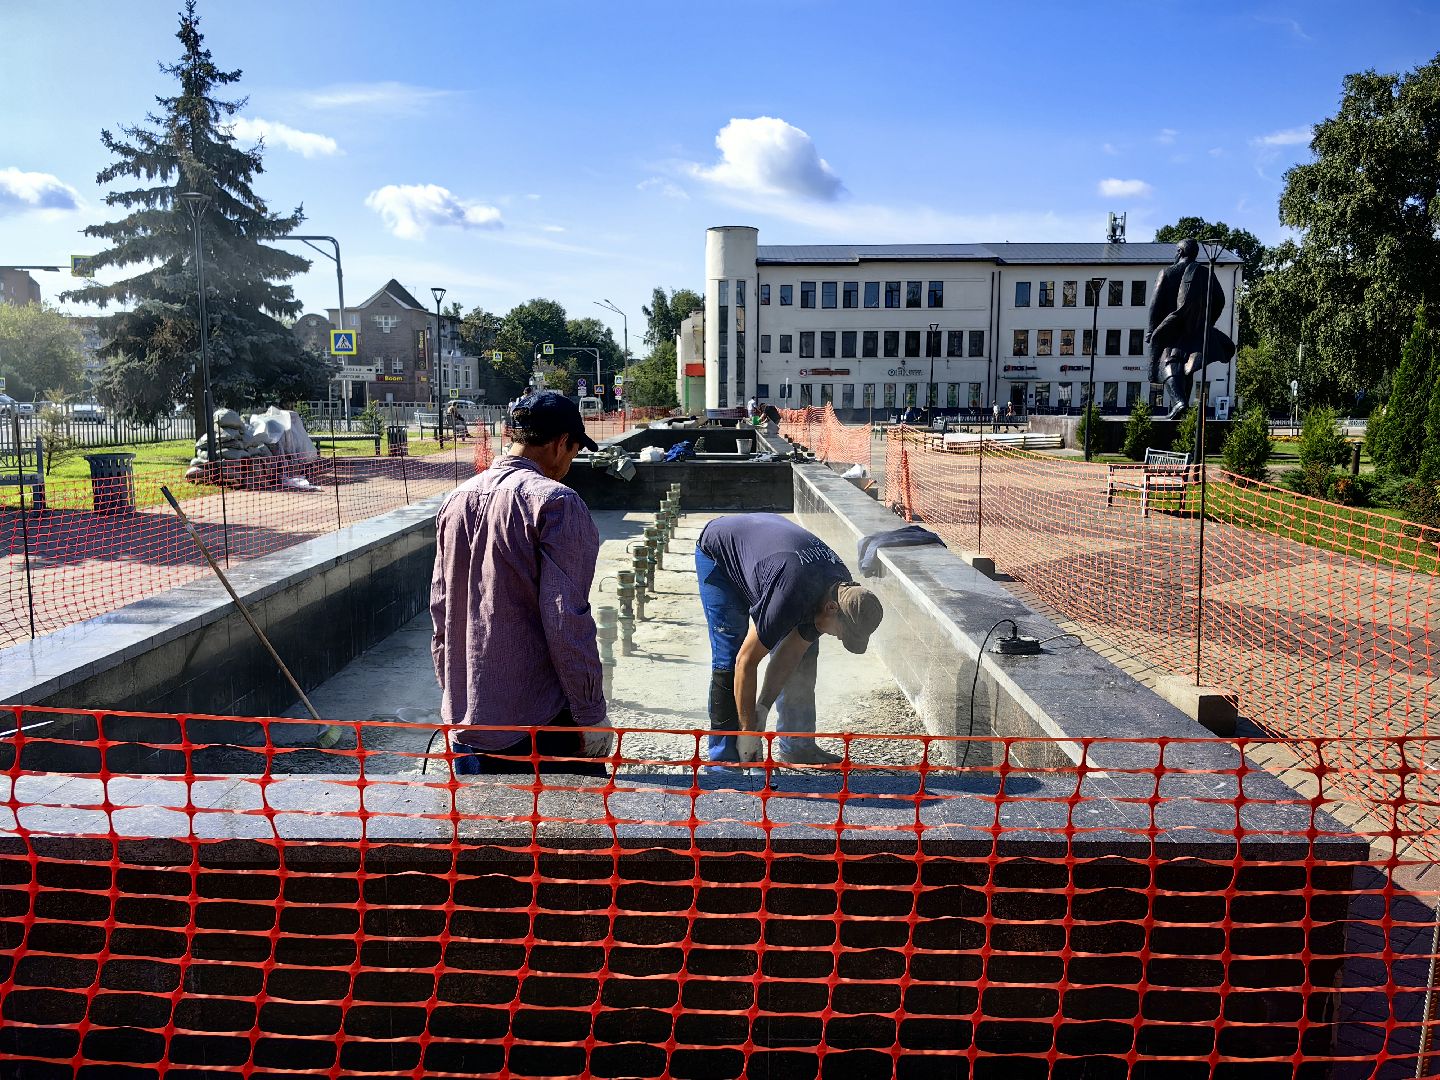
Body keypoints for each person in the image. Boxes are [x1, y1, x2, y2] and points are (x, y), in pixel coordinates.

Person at [430, 391, 608, 775]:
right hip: (540, 721)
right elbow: (567, 619)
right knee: (569, 832)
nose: (569, 464)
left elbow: (441, 609)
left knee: (480, 830)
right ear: (561, 443)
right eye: (574, 452)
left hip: (467, 721)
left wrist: (455, 692)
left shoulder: (456, 500)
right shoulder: (556, 502)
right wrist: (591, 712)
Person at [695, 514, 884, 767]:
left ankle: (797, 745)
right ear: (831, 608)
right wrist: (749, 732)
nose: (839, 638)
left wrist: (761, 709)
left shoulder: (839, 586)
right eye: (843, 633)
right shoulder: (790, 594)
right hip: (720, 551)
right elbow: (746, 663)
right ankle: (725, 757)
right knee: (730, 653)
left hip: (771, 553)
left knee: (804, 656)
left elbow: (790, 654)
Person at [1146, 237, 1236, 419]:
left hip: (1171, 328)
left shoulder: (1167, 272)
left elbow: (1154, 305)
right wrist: (1206, 321)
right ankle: (1181, 410)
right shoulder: (1205, 273)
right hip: (1195, 329)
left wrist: (1151, 330)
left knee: (1167, 362)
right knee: (1186, 367)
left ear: (1180, 252)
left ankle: (1179, 403)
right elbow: (1220, 300)